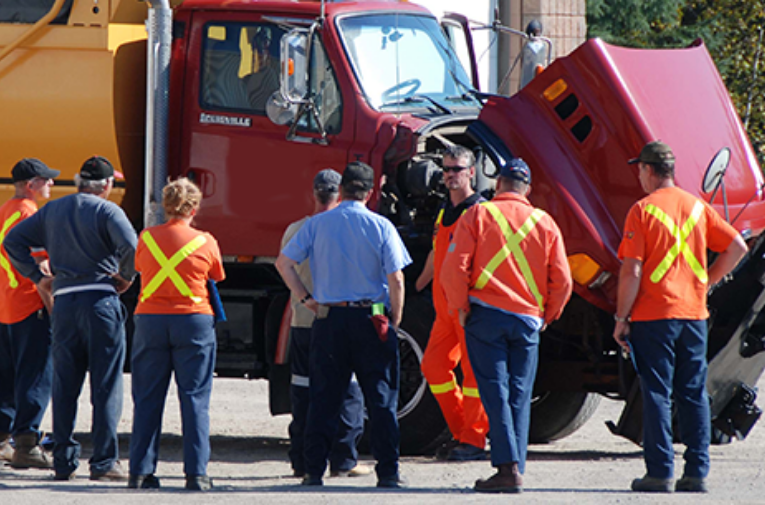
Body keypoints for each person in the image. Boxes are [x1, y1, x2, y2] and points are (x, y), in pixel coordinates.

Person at [613, 141, 748, 493]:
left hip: (654, 316)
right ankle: (697, 473)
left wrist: (620, 316)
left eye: (640, 169)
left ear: (649, 170)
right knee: (693, 393)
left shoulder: (641, 211)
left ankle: (659, 473)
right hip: (693, 315)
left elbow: (632, 271)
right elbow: (738, 246)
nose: (639, 176)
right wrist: (707, 282)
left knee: (656, 392)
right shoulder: (697, 208)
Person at [275, 161, 412, 488]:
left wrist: (306, 298)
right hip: (372, 316)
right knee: (380, 399)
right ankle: (388, 473)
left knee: (324, 397)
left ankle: (312, 472)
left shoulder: (317, 225)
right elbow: (396, 277)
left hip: (330, 318)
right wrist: (394, 318)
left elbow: (284, 263)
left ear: (342, 190)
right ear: (371, 191)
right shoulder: (381, 226)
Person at [441, 158, 572, 493]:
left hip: (485, 316)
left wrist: (460, 308)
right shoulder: (544, 222)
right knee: (519, 392)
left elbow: (453, 269)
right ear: (526, 189)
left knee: (494, 392)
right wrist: (548, 315)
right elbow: (563, 280)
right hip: (528, 320)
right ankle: (516, 466)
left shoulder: (478, 214)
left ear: (498, 184)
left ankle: (506, 468)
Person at [4, 155, 138, 482]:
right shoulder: (108, 211)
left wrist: (37, 277)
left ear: (79, 182)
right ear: (106, 185)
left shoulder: (53, 210)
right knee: (105, 385)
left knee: (65, 384)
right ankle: (104, 463)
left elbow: (12, 242)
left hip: (63, 304)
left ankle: (63, 462)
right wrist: (126, 278)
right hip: (100, 303)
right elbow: (133, 247)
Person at [128, 178, 224, 491]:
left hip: (151, 320)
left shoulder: (147, 237)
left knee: (147, 398)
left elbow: (141, 267)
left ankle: (140, 472)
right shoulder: (205, 240)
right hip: (194, 321)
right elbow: (217, 275)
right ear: (194, 208)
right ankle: (196, 475)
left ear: (166, 206)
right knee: (195, 398)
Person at [281, 169, 368, 479]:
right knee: (346, 390)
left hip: (303, 322)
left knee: (303, 391)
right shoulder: (344, 229)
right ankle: (344, 459)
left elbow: (284, 266)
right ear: (339, 194)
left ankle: (302, 460)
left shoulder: (295, 229)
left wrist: (304, 300)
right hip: (335, 320)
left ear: (313, 194)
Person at [415, 145, 489, 461]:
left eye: (457, 169)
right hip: (444, 311)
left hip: (468, 308)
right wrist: (416, 285)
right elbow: (436, 253)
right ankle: (461, 432)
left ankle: (474, 439)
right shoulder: (445, 211)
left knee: (474, 377)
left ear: (471, 172)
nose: (450, 175)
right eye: (446, 169)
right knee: (433, 366)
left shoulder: (482, 211)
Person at [0, 159, 58, 469]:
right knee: (36, 376)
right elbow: (40, 268)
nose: (51, 185)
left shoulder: (6, 209)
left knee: (7, 378)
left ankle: (3, 440)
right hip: (28, 304)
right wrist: (50, 305)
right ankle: (26, 444)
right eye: (46, 180)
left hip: (6, 304)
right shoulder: (28, 213)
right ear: (32, 184)